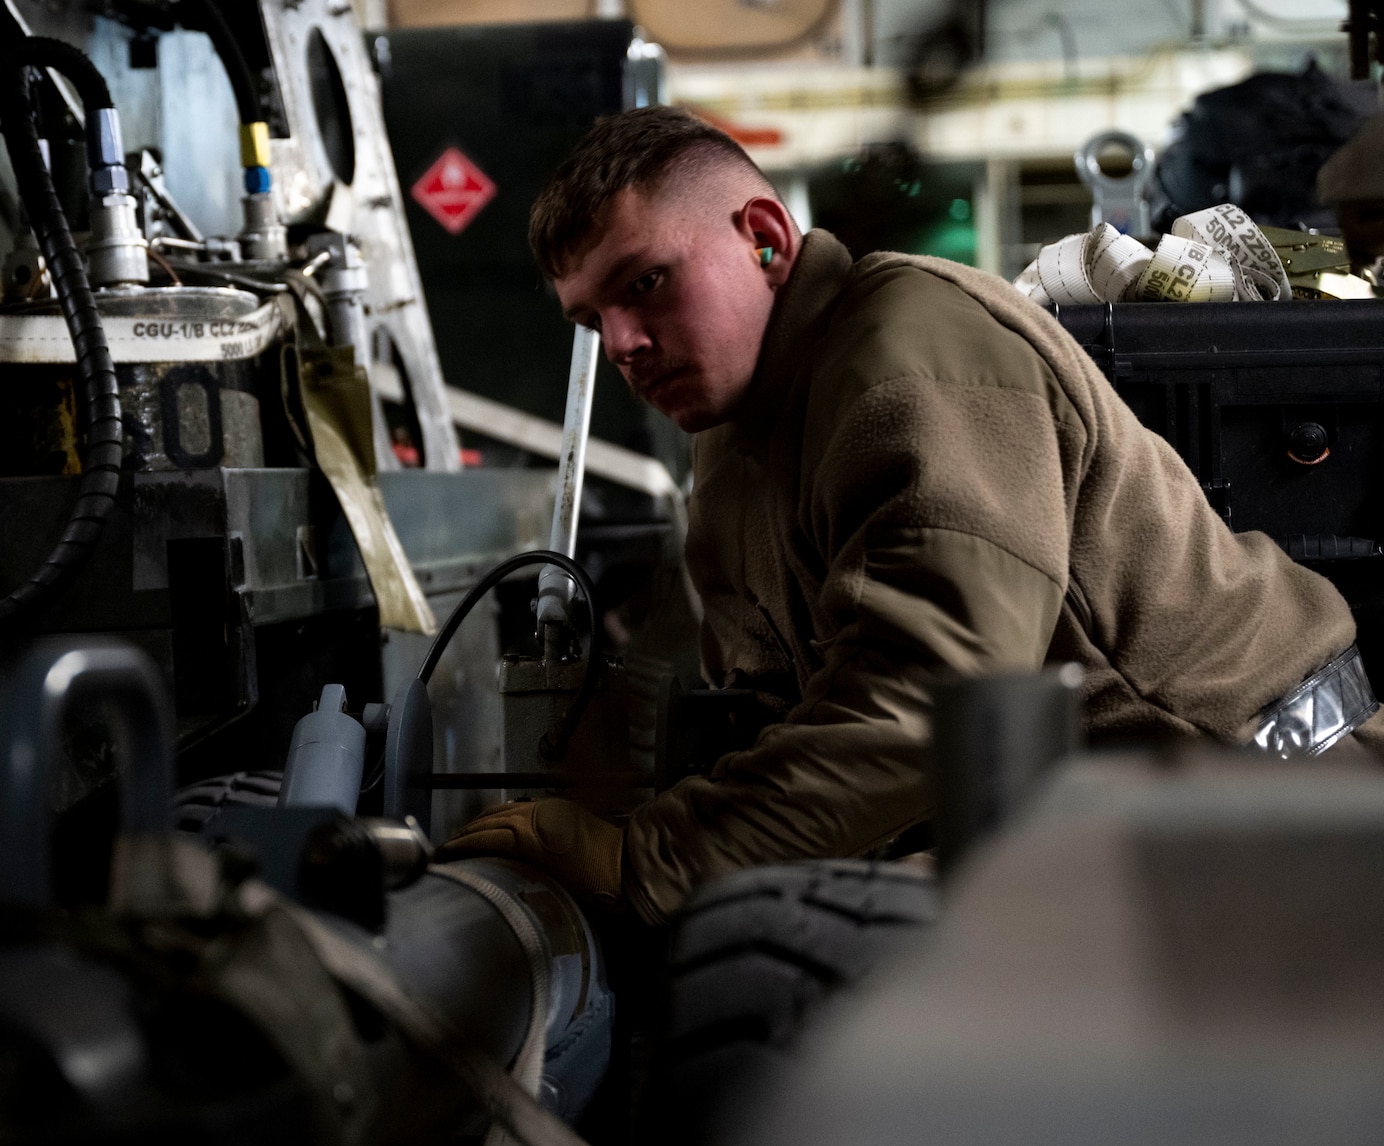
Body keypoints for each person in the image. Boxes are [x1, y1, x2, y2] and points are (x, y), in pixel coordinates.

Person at [446, 107, 1381, 924]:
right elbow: (783, 713)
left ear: (766, 239)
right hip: (1102, 819)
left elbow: (934, 697)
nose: (622, 344)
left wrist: (646, 858)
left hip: (1277, 804)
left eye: (645, 284)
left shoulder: (906, 352)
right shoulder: (737, 442)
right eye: (589, 320)